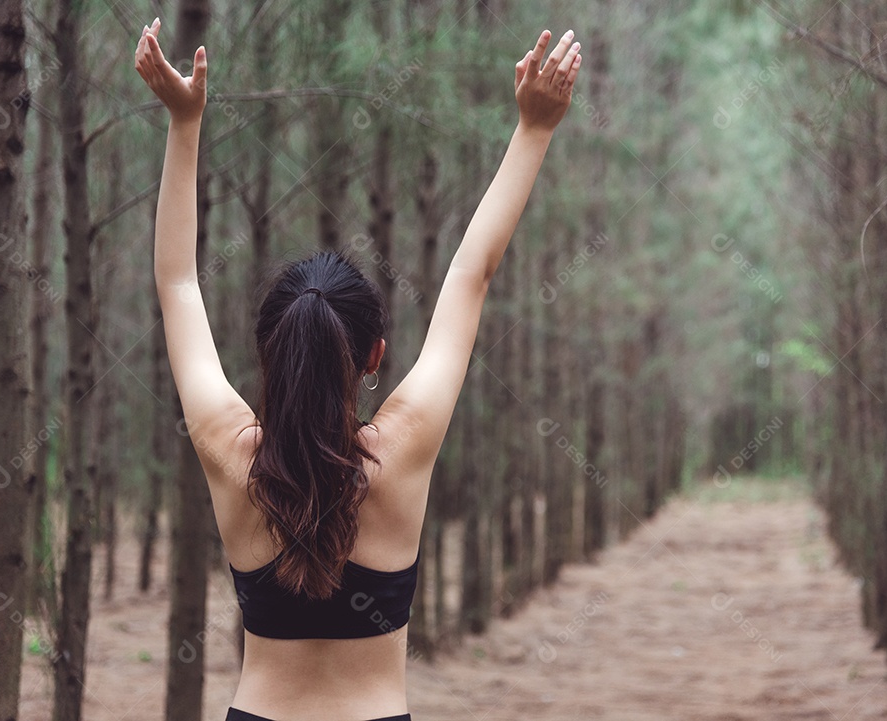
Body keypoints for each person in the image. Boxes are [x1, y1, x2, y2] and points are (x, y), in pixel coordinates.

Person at [134, 17, 582, 721]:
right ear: (374, 355)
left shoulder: (230, 452)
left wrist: (184, 123)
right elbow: (472, 274)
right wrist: (534, 129)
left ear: (268, 351)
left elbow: (177, 283)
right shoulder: (401, 453)